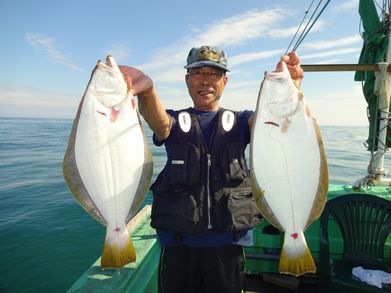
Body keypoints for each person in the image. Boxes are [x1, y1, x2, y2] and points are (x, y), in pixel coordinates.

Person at [120, 45, 304, 293]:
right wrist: (147, 91)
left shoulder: (242, 121)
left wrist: (290, 89)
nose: (205, 80)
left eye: (214, 74)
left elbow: (273, 121)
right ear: (187, 80)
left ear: (225, 81)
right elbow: (159, 124)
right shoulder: (174, 120)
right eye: (198, 73)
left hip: (227, 246)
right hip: (179, 245)